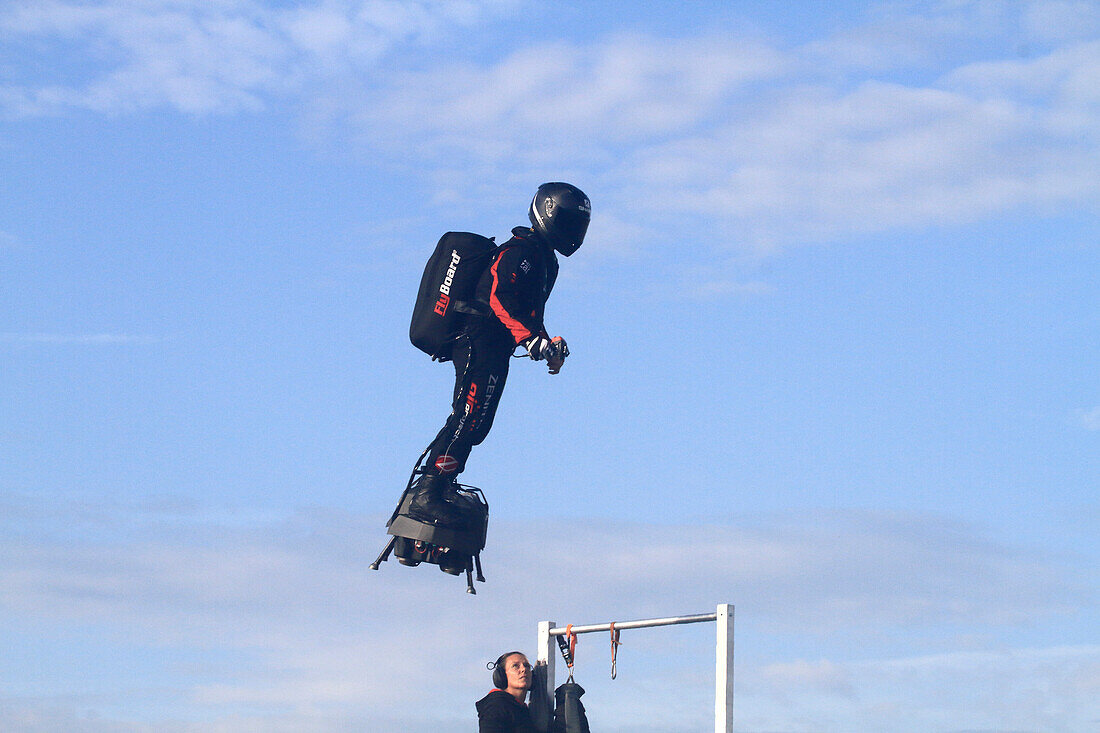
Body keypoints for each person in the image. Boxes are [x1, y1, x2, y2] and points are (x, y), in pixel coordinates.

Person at [405, 182, 591, 528]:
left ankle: (441, 485)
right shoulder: (522, 250)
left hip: (496, 346)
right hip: (477, 339)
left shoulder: (545, 260)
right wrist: (531, 340)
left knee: (477, 422)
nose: (575, 231)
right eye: (569, 220)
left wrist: (545, 343)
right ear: (548, 213)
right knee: (469, 416)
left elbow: (527, 312)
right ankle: (429, 492)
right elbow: (499, 296)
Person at [477, 651, 536, 733]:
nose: (523, 669)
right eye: (515, 666)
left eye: (527, 666)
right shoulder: (496, 706)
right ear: (502, 675)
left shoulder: (523, 710)